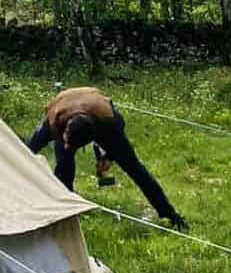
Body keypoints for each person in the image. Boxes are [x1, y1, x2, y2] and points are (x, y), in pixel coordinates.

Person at [26, 86, 188, 230]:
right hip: (65, 102)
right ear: (65, 131)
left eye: (71, 144)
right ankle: (66, 212)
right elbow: (30, 151)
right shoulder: (54, 122)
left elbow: (118, 135)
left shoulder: (109, 122)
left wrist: (109, 156)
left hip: (95, 105)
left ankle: (171, 215)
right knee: (58, 165)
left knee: (135, 169)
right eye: (67, 141)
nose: (67, 146)